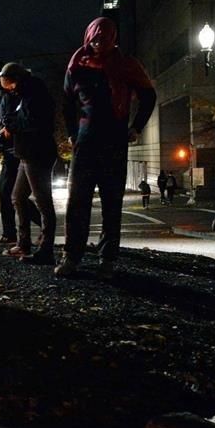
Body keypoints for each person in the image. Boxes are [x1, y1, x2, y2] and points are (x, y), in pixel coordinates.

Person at [57, 17, 157, 279]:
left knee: (112, 203)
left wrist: (136, 127)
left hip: (114, 140)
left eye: (105, 38)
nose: (99, 43)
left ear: (113, 38)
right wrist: (71, 134)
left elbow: (148, 96)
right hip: (86, 140)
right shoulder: (77, 64)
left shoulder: (126, 65)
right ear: (88, 37)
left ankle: (107, 260)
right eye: (95, 38)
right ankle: (72, 256)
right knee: (77, 201)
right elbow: (67, 102)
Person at [0, 63, 58, 266]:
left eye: (9, 85)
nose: (9, 90)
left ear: (16, 80)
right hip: (26, 153)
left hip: (37, 153)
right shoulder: (25, 94)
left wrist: (11, 126)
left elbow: (34, 122)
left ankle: (46, 249)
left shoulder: (35, 93)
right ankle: (24, 243)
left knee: (42, 202)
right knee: (18, 197)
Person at [0, 59, 39, 247]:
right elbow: (3, 126)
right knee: (12, 194)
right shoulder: (3, 95)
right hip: (11, 150)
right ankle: (16, 234)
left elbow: (11, 124)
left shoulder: (11, 95)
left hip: (17, 150)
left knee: (10, 194)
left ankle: (15, 234)